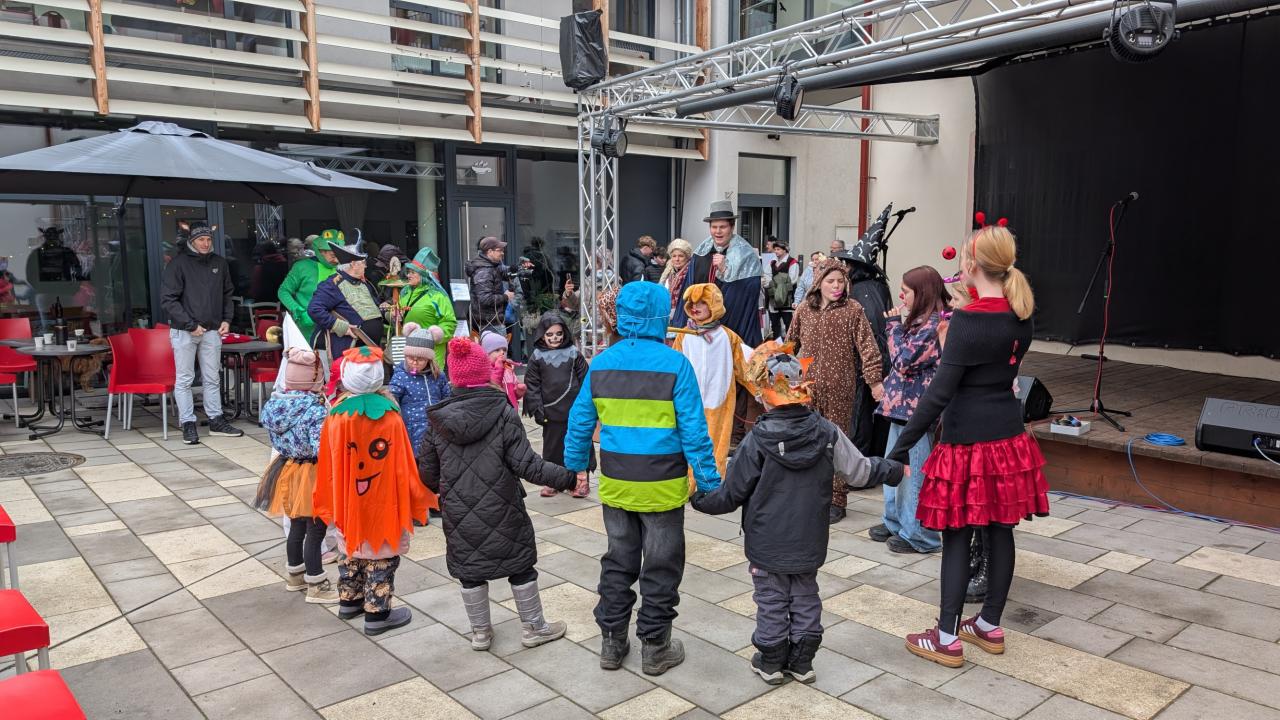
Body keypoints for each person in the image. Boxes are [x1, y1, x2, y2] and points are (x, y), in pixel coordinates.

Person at [692, 342, 903, 685]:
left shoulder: (756, 440)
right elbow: (860, 472)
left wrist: (700, 499)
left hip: (766, 542)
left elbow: (730, 495)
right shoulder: (827, 432)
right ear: (803, 389)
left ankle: (772, 661)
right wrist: (892, 469)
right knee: (805, 595)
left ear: (764, 394)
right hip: (809, 539)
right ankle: (802, 662)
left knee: (771, 599)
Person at [893, 223, 1048, 669]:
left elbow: (939, 394)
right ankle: (989, 625)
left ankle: (945, 637)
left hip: (967, 442)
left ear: (972, 264)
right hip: (1008, 438)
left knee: (957, 535)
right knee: (1001, 530)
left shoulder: (967, 321)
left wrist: (900, 447)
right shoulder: (1021, 313)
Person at [564, 281, 721, 676]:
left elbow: (579, 420)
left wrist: (575, 467)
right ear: (661, 315)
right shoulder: (676, 364)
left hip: (617, 484)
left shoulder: (602, 363)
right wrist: (709, 482)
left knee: (618, 562)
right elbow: (694, 431)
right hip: (663, 488)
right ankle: (655, 646)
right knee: (662, 566)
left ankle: (612, 642)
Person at [420, 338, 577, 650]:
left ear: (453, 378)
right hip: (503, 506)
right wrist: (568, 477)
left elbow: (427, 472)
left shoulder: (438, 420)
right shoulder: (503, 412)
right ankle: (534, 628)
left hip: (458, 513)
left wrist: (448, 489)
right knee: (520, 567)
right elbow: (527, 465)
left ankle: (480, 633)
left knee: (469, 571)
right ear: (484, 373)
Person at [312, 346, 436, 636]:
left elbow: (328, 462)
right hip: (382, 499)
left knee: (350, 548)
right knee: (381, 552)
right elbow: (403, 462)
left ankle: (349, 601)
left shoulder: (337, 416)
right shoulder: (390, 417)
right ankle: (377, 615)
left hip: (348, 499)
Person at [785, 259, 884, 523]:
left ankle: (837, 499)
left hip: (841, 388)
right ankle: (807, 494)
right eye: (831, 281)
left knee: (837, 442)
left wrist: (874, 381)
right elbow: (790, 345)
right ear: (819, 283)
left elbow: (868, 348)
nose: (837, 286)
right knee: (806, 439)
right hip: (807, 387)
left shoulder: (853, 309)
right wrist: (781, 375)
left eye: (841, 281)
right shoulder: (804, 309)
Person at [872, 266, 950, 555]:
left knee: (913, 475)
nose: (901, 295)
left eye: (906, 291)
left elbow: (903, 361)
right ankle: (895, 522)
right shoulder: (918, 321)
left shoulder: (933, 325)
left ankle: (920, 536)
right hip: (900, 409)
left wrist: (892, 326)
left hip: (918, 413)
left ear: (923, 293)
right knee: (894, 467)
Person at [254, 348, 336, 603]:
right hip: (312, 472)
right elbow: (321, 447)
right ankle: (316, 584)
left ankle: (295, 575)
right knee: (316, 529)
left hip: (287, 468)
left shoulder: (275, 405)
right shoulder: (314, 411)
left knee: (297, 527)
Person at [160, 222, 244, 445]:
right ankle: (188, 423)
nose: (206, 243)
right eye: (201, 240)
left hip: (212, 330)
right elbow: (168, 300)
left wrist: (227, 319)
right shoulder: (178, 264)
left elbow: (227, 293)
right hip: (184, 331)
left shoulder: (220, 263)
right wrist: (190, 325)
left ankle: (216, 420)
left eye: (208, 239)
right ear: (191, 241)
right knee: (185, 379)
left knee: (212, 377)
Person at [670, 284, 752, 481]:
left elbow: (746, 368)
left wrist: (762, 390)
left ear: (713, 305)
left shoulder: (728, 337)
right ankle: (688, 483)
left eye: (702, 303)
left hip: (719, 401)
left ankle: (712, 486)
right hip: (689, 402)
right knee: (688, 445)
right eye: (692, 303)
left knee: (715, 448)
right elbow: (673, 366)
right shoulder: (683, 335)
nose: (695, 307)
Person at [835, 209, 895, 460]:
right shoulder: (878, 287)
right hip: (881, 361)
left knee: (860, 416)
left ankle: (862, 465)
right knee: (876, 416)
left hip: (866, 364)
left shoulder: (860, 292)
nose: (844, 268)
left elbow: (869, 332)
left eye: (848, 265)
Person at [673, 201, 764, 348]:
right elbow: (689, 289)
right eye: (714, 227)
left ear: (732, 227)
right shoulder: (701, 252)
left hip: (731, 327)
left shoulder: (745, 254)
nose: (718, 231)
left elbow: (748, 294)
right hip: (698, 327)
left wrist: (725, 270)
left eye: (723, 227)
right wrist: (683, 323)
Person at [523, 312, 593, 499]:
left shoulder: (574, 353)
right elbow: (532, 385)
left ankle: (580, 482)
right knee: (552, 448)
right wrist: (537, 408)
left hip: (575, 411)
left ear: (565, 333)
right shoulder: (537, 357)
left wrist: (588, 407)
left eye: (558, 334)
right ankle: (554, 481)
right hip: (551, 412)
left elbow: (586, 380)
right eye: (550, 334)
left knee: (579, 445)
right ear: (542, 335)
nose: (555, 338)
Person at [308, 240, 385, 359]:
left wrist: (387, 310)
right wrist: (341, 327)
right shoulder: (332, 284)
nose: (365, 266)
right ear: (353, 264)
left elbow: (375, 308)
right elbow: (314, 309)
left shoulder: (364, 283)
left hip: (370, 349)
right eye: (363, 262)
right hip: (348, 350)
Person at [388, 323, 449, 454]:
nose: (414, 362)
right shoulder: (401, 376)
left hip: (437, 430)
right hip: (412, 431)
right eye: (410, 358)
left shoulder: (438, 376)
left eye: (420, 359)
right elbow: (392, 399)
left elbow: (447, 399)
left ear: (429, 359)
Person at [397, 253, 456, 370]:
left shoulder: (437, 296)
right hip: (411, 353)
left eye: (413, 272)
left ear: (424, 276)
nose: (408, 275)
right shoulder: (404, 293)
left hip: (432, 353)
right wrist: (394, 316)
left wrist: (434, 336)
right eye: (408, 272)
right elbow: (400, 317)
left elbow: (450, 323)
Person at [278, 231, 339, 344]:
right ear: (321, 251)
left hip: (336, 328)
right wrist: (297, 310)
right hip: (307, 329)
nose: (336, 260)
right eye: (333, 255)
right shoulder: (302, 266)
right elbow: (283, 291)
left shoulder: (343, 268)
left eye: (338, 255)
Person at [467, 236, 512, 334]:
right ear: (490, 251)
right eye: (499, 250)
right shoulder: (484, 271)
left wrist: (519, 268)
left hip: (491, 322)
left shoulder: (492, 266)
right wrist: (506, 297)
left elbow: (505, 272)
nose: (502, 253)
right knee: (498, 345)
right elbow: (485, 299)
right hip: (489, 324)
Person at [764, 240, 799, 339]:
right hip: (773, 298)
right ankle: (776, 344)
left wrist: (775, 283)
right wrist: (771, 284)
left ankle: (789, 345)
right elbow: (766, 276)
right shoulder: (772, 262)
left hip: (787, 298)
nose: (776, 251)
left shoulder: (792, 262)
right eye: (775, 249)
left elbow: (792, 279)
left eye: (778, 249)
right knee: (774, 324)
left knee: (788, 323)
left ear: (785, 250)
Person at [481, 330, 523, 409]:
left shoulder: (508, 369)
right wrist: (499, 368)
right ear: (486, 353)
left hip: (511, 410)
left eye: (504, 350)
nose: (502, 353)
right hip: (496, 411)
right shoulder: (485, 370)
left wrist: (519, 391)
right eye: (497, 350)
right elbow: (490, 389)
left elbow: (514, 394)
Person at [658, 239, 693, 318]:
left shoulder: (691, 272)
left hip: (685, 314)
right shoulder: (670, 273)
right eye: (674, 256)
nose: (677, 259)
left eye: (681, 256)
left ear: (687, 257)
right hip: (670, 312)